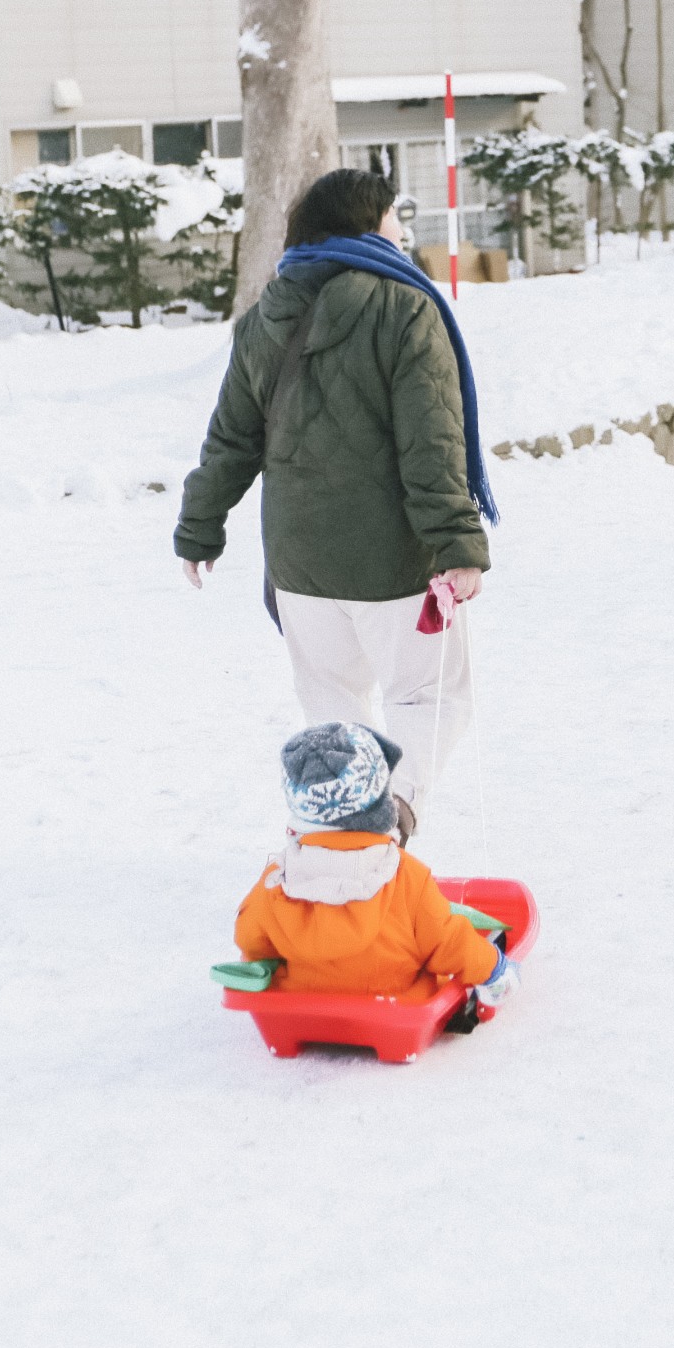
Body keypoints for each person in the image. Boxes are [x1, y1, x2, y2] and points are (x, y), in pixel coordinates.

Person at [174, 167, 497, 838]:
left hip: (299, 566)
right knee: (431, 696)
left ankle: (336, 846)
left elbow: (232, 435)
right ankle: (388, 817)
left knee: (332, 708)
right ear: (361, 226)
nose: (402, 232)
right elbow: (431, 442)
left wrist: (199, 526)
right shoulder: (404, 306)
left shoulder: (266, 314)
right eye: (391, 218)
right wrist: (459, 543)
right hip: (392, 563)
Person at [232, 722, 518, 1002]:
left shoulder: (277, 880)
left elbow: (249, 938)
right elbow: (449, 942)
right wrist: (493, 968)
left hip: (303, 1005)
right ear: (381, 808)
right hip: (394, 1004)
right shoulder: (407, 878)